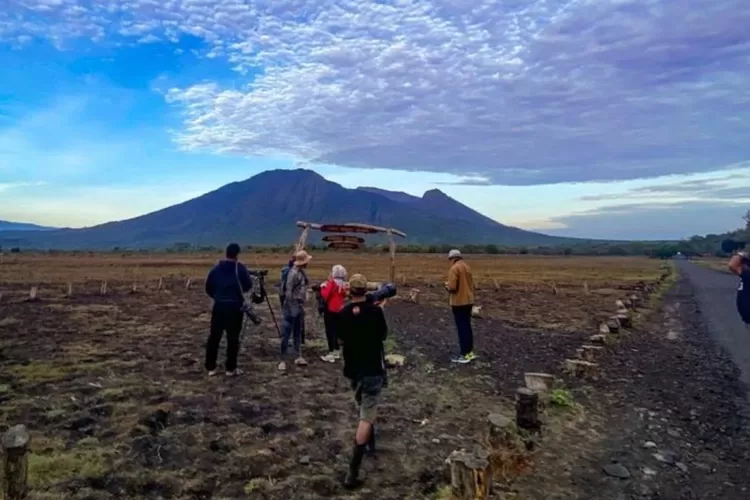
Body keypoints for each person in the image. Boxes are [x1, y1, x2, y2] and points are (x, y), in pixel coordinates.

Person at [337, 273, 388, 489]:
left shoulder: (344, 312)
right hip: (372, 369)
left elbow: (340, 338)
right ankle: (353, 470)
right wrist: (379, 310)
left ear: (350, 291)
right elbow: (383, 336)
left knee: (363, 405)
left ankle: (370, 444)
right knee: (366, 415)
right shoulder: (375, 312)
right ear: (366, 290)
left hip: (353, 369)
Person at [204, 243, 253, 377]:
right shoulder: (240, 268)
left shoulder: (216, 268)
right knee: (233, 338)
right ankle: (230, 369)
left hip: (219, 307)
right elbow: (248, 286)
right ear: (237, 254)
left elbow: (208, 287)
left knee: (214, 337)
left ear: (226, 253)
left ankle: (211, 367)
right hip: (235, 308)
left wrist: (218, 297)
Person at [279, 250, 312, 371]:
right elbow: (288, 291)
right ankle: (283, 359)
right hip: (292, 306)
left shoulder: (300, 273)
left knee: (298, 331)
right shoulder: (293, 274)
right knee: (287, 333)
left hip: (298, 305)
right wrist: (293, 306)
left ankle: (298, 355)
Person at [445, 249, 477, 364]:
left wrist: (447, 286)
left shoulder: (454, 268)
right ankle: (469, 353)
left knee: (462, 328)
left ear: (452, 258)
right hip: (469, 301)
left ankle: (464, 354)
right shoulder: (467, 267)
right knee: (467, 327)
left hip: (459, 302)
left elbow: (452, 287)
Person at [319, 264, 348, 363]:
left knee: (330, 331)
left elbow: (325, 295)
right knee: (337, 330)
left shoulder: (332, 283)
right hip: (340, 309)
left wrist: (323, 287)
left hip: (330, 309)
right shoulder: (343, 284)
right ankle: (337, 351)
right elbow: (344, 295)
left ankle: (332, 352)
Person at [727, 243, 750, 330]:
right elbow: (732, 265)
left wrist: (741, 254)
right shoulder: (746, 273)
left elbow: (732, 265)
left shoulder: (745, 273)